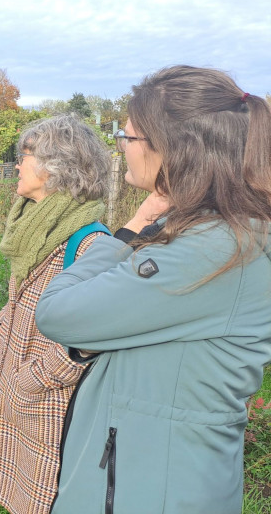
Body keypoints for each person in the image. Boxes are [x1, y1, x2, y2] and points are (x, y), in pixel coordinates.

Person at [35, 66, 271, 514]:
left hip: (153, 488)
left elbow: (58, 312)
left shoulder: (214, 250)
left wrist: (128, 231)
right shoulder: (211, 230)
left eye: (128, 137)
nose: (121, 149)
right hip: (148, 473)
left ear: (177, 149)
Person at [0, 115, 111, 514]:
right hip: (19, 373)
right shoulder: (38, 226)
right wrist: (2, 326)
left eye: (24, 155)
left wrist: (34, 377)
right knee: (22, 493)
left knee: (46, 496)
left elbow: (94, 334)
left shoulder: (90, 242)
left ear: (57, 167)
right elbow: (25, 292)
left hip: (48, 396)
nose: (16, 164)